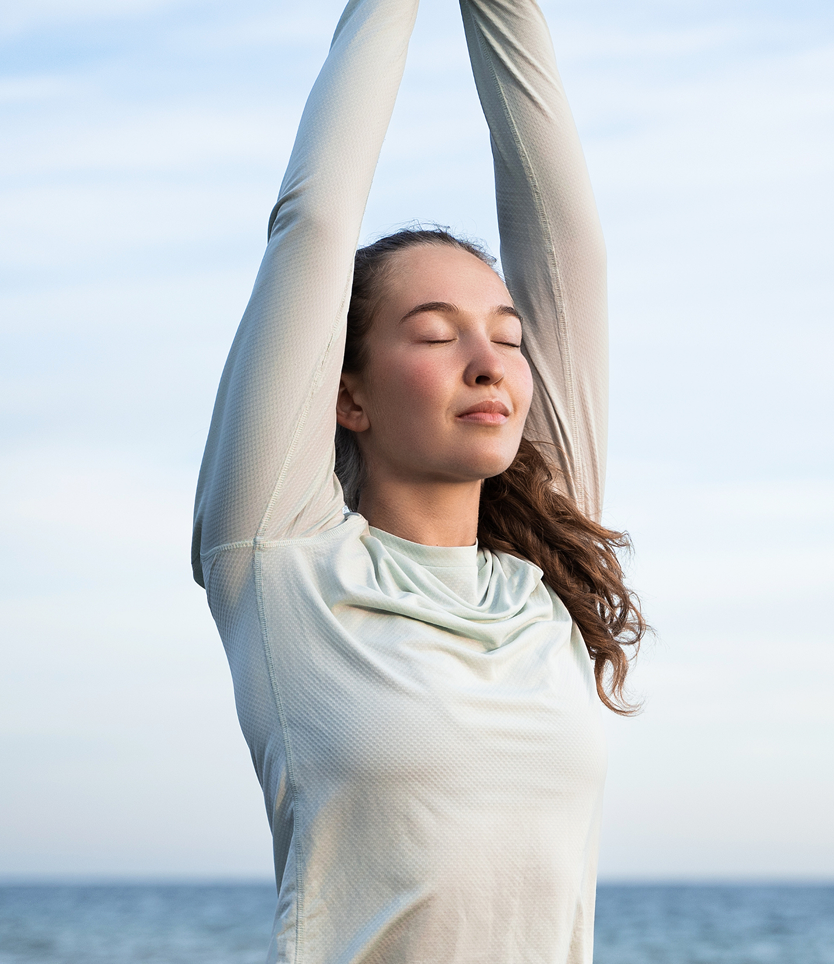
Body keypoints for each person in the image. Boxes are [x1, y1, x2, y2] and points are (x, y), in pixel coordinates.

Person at [192, 0, 644, 959]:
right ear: (346, 395)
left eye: (508, 338)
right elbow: (313, 224)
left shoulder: (547, 582)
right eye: (437, 336)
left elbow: (570, 254)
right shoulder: (283, 564)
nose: (489, 362)